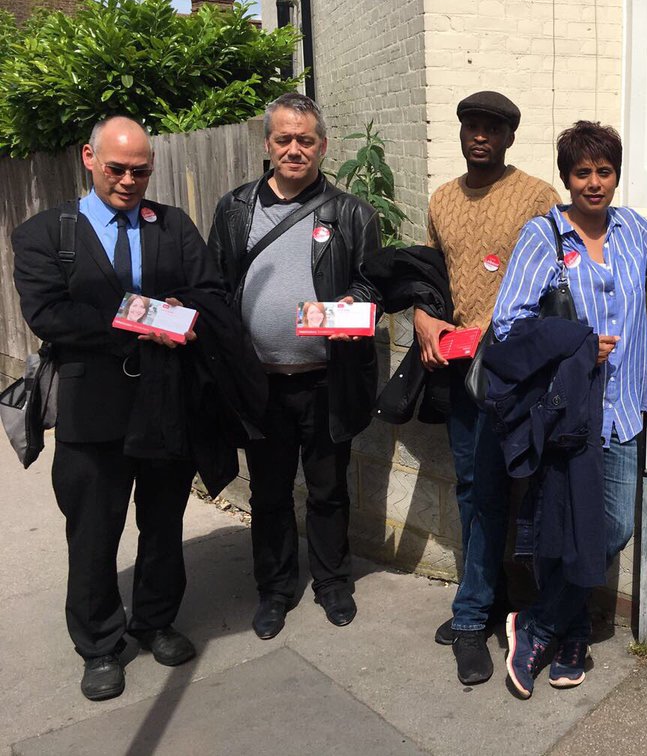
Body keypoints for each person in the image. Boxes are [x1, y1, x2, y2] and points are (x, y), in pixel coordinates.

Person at [12, 116, 226, 701]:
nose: (129, 181)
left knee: (163, 522)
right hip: (92, 411)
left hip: (166, 403)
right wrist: (134, 323)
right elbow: (48, 314)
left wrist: (184, 309)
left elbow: (210, 292)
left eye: (141, 171)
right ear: (89, 158)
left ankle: (155, 620)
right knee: (92, 532)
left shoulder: (173, 225)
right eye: (117, 169)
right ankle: (99, 644)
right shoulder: (45, 233)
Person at [491, 120, 647, 698]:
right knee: (564, 527)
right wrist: (579, 343)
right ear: (567, 177)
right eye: (582, 172)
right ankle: (570, 635)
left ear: (616, 176)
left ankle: (539, 623)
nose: (594, 183)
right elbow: (509, 323)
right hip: (569, 414)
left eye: (604, 172)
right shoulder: (543, 236)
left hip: (625, 410)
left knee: (611, 527)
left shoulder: (632, 227)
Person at [208, 92, 382, 639]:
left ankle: (332, 583)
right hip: (260, 382)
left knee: (328, 490)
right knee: (269, 492)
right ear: (268, 144)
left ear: (323, 146)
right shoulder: (235, 209)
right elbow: (215, 286)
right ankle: (275, 590)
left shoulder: (352, 213)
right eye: (283, 139)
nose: (294, 149)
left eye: (305, 140)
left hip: (326, 380)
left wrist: (353, 304)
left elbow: (373, 283)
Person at [414, 91, 560, 685]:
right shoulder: (443, 200)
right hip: (458, 367)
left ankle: (472, 616)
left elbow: (558, 280)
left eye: (492, 128)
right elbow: (429, 277)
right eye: (471, 126)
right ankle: (487, 598)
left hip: (513, 371)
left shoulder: (537, 197)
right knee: (475, 487)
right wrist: (423, 317)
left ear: (509, 138)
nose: (480, 135)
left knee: (507, 490)